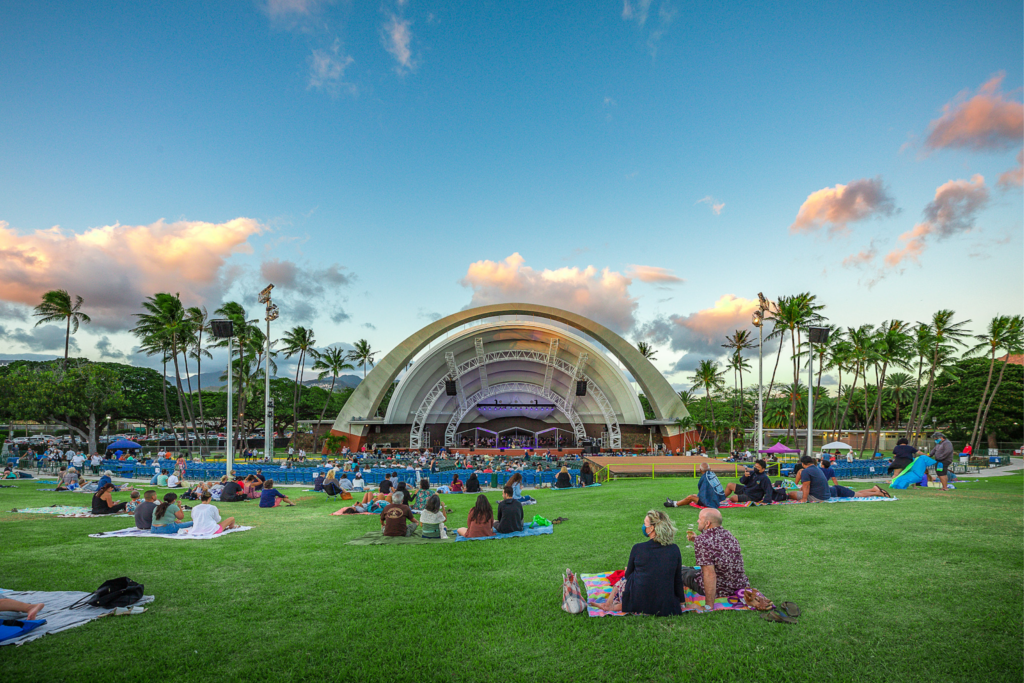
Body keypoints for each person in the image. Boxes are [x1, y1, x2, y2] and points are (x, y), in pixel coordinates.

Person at [596, 510, 686, 616]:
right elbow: (677, 579)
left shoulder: (638, 548)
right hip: (666, 605)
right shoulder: (674, 549)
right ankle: (613, 605)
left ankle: (610, 604)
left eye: (645, 523)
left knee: (622, 581)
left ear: (652, 528)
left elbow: (628, 575)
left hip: (639, 603)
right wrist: (682, 602)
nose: (643, 526)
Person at [682, 508, 750, 608]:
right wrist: (697, 540)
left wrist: (708, 605)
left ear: (707, 523)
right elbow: (718, 548)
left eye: (699, 519)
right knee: (692, 570)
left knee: (681, 572)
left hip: (719, 589)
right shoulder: (729, 534)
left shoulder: (703, 540)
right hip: (738, 585)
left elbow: (709, 574)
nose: (697, 521)